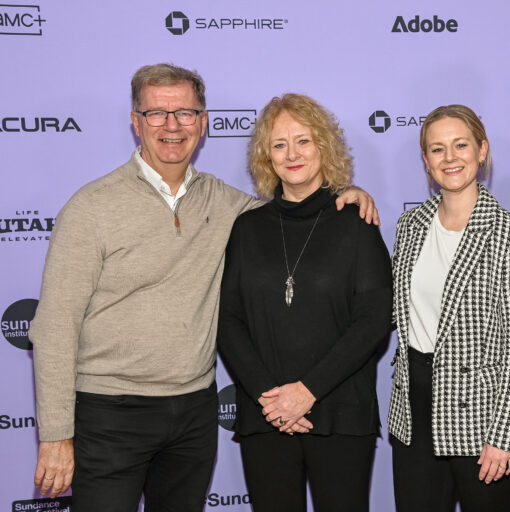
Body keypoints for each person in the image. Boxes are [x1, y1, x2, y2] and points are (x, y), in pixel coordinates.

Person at [28, 64, 378, 510]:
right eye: (156, 113)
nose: (172, 126)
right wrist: (56, 434)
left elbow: (295, 212)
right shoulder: (90, 208)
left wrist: (349, 192)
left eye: (185, 113)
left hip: (193, 415)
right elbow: (55, 327)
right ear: (136, 123)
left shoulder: (229, 205)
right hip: (111, 414)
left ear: (204, 122)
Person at [216, 93, 392, 512]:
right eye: (279, 144)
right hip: (266, 415)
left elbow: (373, 319)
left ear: (324, 147)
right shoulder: (247, 227)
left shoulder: (357, 223)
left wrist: (307, 392)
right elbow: (227, 319)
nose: (291, 154)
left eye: (303, 141)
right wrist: (272, 400)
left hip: (340, 413)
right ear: (266, 156)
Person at [388, 105, 510, 512]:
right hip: (414, 412)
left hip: (483, 416)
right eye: (437, 149)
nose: (450, 158)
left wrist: (504, 435)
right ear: (426, 161)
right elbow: (392, 309)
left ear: (481, 150)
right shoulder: (410, 226)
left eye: (461, 145)